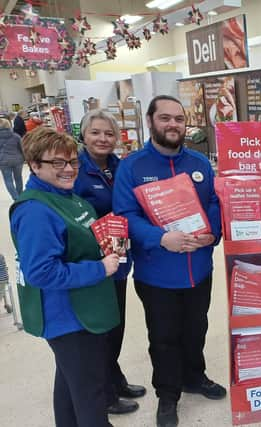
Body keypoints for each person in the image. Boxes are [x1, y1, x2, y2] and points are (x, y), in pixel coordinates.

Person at [113, 95, 225, 427]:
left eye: (178, 118)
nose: (173, 124)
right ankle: (168, 395)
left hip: (200, 269)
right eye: (165, 118)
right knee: (163, 338)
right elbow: (125, 216)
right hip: (157, 273)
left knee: (197, 329)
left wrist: (212, 234)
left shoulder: (200, 163)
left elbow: (215, 204)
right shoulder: (132, 167)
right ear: (150, 121)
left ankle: (195, 376)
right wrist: (160, 238)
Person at [10, 127, 121, 427]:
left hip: (84, 310)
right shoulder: (35, 211)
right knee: (90, 393)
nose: (69, 169)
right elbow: (41, 271)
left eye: (72, 161)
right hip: (70, 319)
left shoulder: (68, 198)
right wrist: (100, 268)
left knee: (70, 386)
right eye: (57, 163)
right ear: (34, 165)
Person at [73, 109, 146, 416]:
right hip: (93, 264)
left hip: (119, 261)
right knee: (99, 331)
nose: (103, 139)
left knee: (115, 326)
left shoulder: (121, 168)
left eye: (109, 133)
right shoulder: (75, 169)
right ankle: (102, 393)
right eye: (95, 132)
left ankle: (114, 379)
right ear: (83, 135)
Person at [0, 118, 25, 200]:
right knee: (18, 178)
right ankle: (20, 195)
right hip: (17, 160)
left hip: (3, 161)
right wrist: (25, 158)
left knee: (8, 180)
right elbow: (22, 149)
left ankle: (16, 198)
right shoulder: (16, 136)